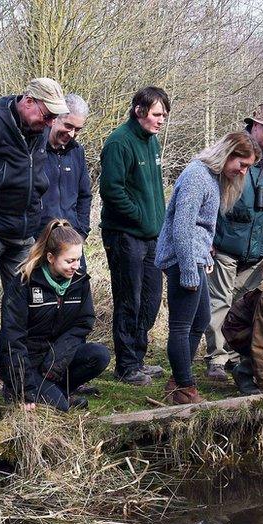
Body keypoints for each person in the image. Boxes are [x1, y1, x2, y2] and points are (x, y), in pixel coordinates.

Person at [0, 77, 69, 420]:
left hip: (24, 236)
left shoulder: (37, 132)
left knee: (22, 312)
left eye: (54, 118)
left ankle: (15, 379)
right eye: (47, 115)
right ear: (29, 101)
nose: (51, 124)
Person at [155, 131, 260, 404]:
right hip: (182, 259)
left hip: (196, 258)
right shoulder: (196, 175)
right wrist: (190, 268)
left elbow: (202, 228)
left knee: (200, 321)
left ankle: (177, 381)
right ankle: (184, 389)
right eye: (242, 164)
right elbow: (182, 226)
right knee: (181, 325)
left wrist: (206, 256)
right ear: (228, 153)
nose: (243, 171)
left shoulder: (212, 178)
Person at [203, 104, 263, 382]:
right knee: (219, 301)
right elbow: (212, 199)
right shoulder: (233, 151)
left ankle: (237, 355)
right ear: (254, 125)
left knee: (246, 306)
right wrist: (209, 238)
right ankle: (216, 358)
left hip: (256, 249)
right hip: (225, 242)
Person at [0, 219, 109, 411]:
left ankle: (58, 392)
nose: (76, 266)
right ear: (50, 257)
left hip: (53, 357)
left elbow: (83, 323)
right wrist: (25, 388)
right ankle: (17, 391)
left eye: (79, 259)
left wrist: (57, 359)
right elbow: (13, 339)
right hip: (26, 361)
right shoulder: (24, 283)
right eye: (69, 261)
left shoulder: (80, 282)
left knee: (99, 355)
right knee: (61, 409)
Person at [99, 86, 170, 386]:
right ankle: (126, 365)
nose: (161, 120)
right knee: (130, 300)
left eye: (165, 115)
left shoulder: (151, 142)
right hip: (125, 235)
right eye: (157, 114)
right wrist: (141, 217)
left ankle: (138, 358)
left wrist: (159, 221)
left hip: (152, 237)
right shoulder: (119, 142)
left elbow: (153, 190)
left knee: (151, 300)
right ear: (139, 111)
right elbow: (112, 191)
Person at [39, 94, 92, 241]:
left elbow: (84, 195)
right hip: (39, 239)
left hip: (70, 239)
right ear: (54, 118)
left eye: (77, 129)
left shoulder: (77, 151)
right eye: (68, 126)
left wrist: (81, 232)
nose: (72, 134)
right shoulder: (35, 148)